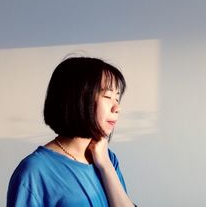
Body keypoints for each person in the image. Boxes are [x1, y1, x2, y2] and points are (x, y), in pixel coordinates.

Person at [7, 56, 135, 207]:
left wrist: (105, 165)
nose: (117, 108)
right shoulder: (34, 172)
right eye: (107, 96)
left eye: (117, 98)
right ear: (79, 99)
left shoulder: (108, 159)